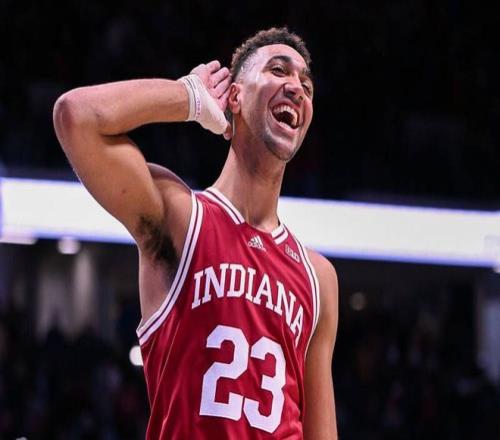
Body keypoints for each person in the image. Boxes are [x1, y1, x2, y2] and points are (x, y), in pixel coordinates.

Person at [53, 27, 338, 439]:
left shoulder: (318, 278)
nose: (297, 88)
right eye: (278, 71)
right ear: (234, 97)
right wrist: (187, 96)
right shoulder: (182, 216)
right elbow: (76, 116)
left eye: (307, 86)